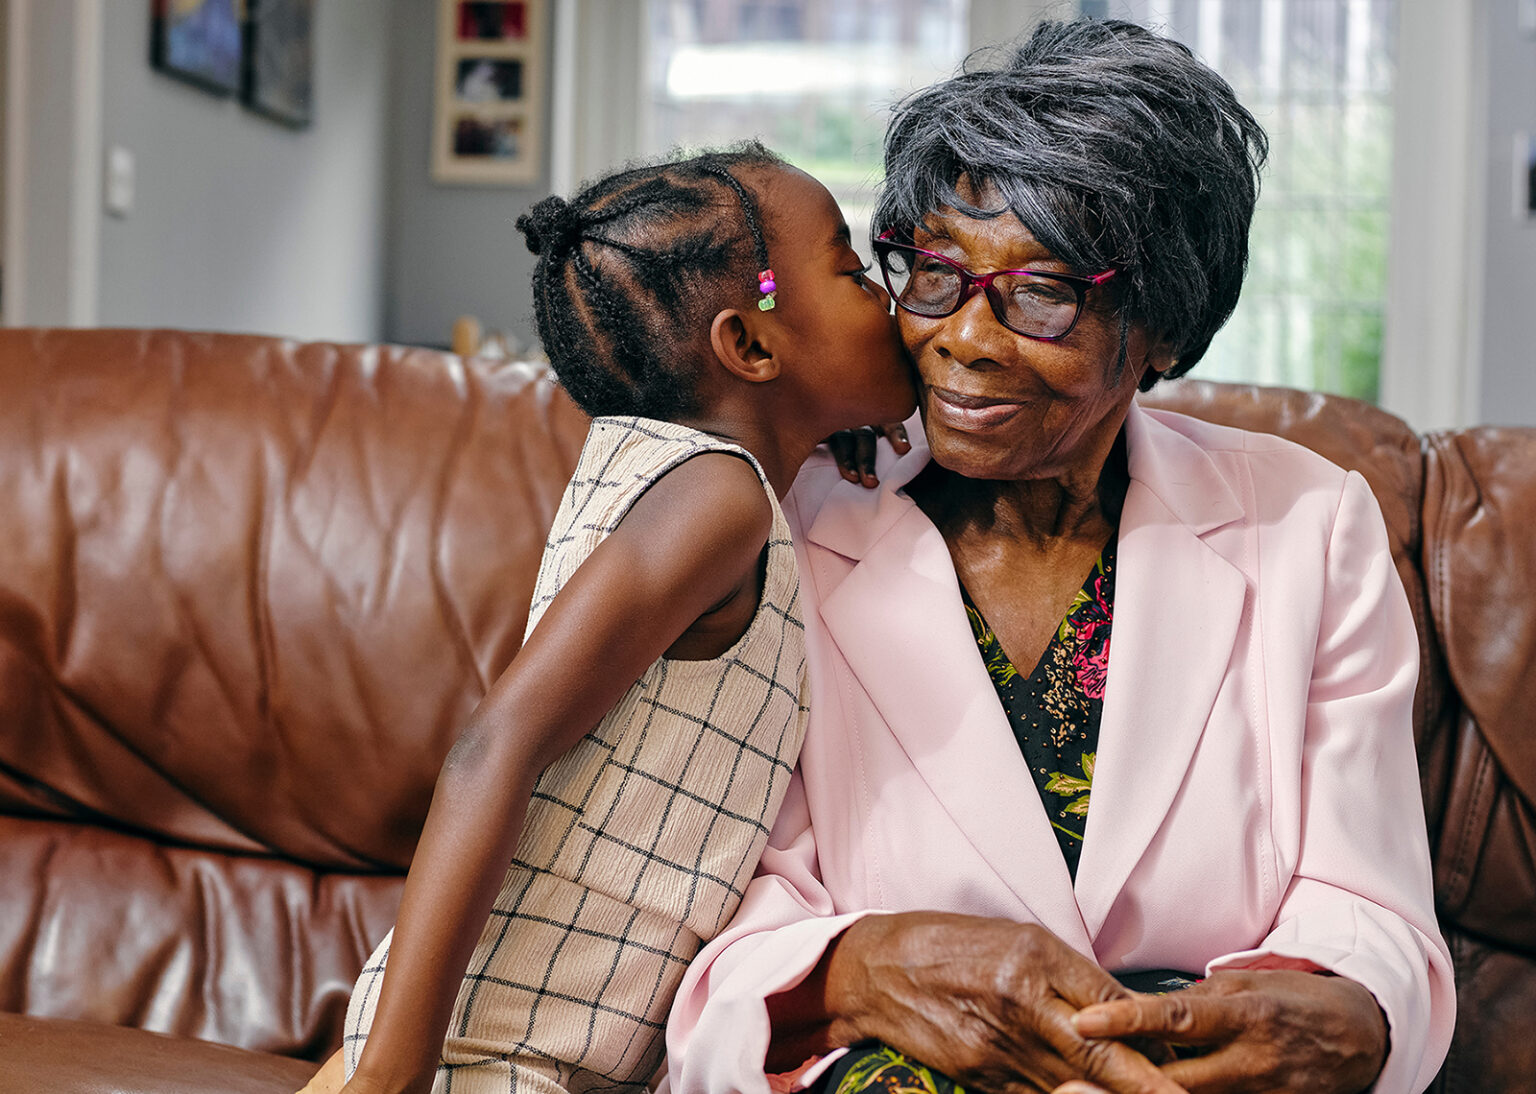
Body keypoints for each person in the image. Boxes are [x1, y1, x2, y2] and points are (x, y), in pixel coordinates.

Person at [664, 20, 1455, 1094]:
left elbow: (1370, 911)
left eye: (1043, 293)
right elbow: (704, 895)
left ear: (1164, 324)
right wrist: (852, 966)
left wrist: (1351, 1008)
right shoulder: (781, 523)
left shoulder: (1310, 523)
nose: (967, 338)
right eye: (934, 273)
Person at [298, 143, 916, 1094]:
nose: (882, 296)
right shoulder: (717, 499)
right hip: (481, 1063)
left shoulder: (706, 481)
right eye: (849, 271)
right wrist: (392, 1076)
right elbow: (492, 748)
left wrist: (830, 426)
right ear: (750, 347)